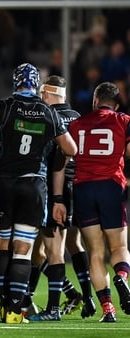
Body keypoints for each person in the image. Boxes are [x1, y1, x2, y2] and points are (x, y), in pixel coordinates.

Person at [0, 63, 77, 324]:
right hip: (33, 186)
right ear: (36, 84)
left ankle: (3, 304)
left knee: (3, 244)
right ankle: (15, 310)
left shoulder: (4, 106)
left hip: (4, 184)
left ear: (15, 82)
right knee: (23, 250)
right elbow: (71, 149)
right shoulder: (48, 112)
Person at [26, 75, 96, 321]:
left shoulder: (47, 116)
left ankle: (49, 305)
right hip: (76, 184)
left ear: (47, 93)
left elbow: (51, 156)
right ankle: (85, 296)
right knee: (67, 245)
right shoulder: (77, 117)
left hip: (52, 187)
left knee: (47, 247)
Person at [67, 81, 130, 323]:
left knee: (95, 251)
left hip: (83, 188)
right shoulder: (123, 121)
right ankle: (121, 277)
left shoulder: (76, 124)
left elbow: (65, 156)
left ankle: (107, 309)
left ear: (95, 101)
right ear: (116, 104)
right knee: (118, 247)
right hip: (110, 187)